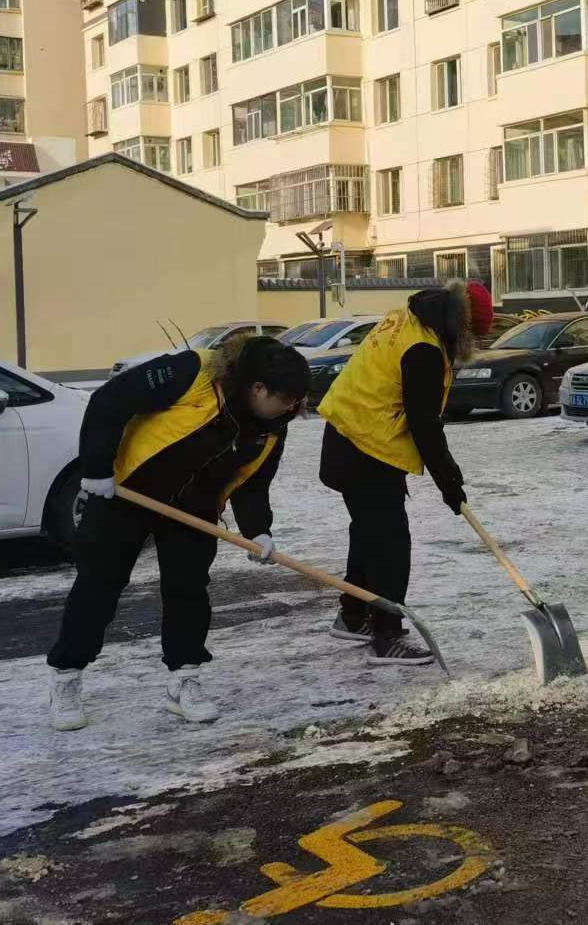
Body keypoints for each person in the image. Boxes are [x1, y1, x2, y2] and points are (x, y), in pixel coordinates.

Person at [45, 335, 309, 731]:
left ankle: (184, 679)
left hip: (194, 510)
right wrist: (97, 468)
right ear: (258, 388)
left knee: (188, 590)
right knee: (99, 585)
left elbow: (252, 481)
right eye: (286, 400)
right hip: (126, 492)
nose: (292, 409)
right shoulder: (191, 373)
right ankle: (66, 675)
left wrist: (259, 531)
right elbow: (108, 402)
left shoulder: (273, 423)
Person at [316, 283, 484, 664]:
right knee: (390, 543)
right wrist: (449, 482)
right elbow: (424, 424)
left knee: (368, 534)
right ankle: (386, 635)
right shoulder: (423, 349)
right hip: (365, 449)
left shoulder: (407, 320)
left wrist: (447, 481)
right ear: (460, 325)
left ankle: (353, 615)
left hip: (348, 438)